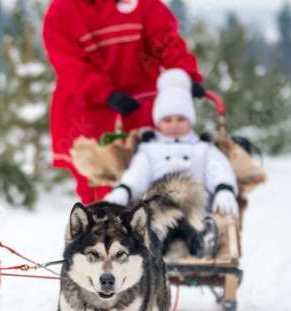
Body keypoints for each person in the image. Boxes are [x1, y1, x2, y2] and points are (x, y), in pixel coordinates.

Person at [43, 0, 205, 205]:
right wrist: (104, 92)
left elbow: (167, 42)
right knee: (98, 188)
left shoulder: (142, 5)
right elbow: (69, 64)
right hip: (89, 114)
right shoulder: (63, 11)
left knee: (155, 179)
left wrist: (184, 76)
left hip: (139, 110)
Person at [104, 68, 239, 257]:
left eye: (181, 119)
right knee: (156, 227)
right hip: (160, 206)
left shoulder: (202, 148)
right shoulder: (150, 150)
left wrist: (225, 189)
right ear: (159, 122)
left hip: (194, 204)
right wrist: (124, 189)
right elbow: (138, 173)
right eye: (168, 120)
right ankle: (153, 247)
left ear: (190, 120)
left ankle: (203, 241)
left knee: (196, 223)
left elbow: (219, 168)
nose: (174, 124)